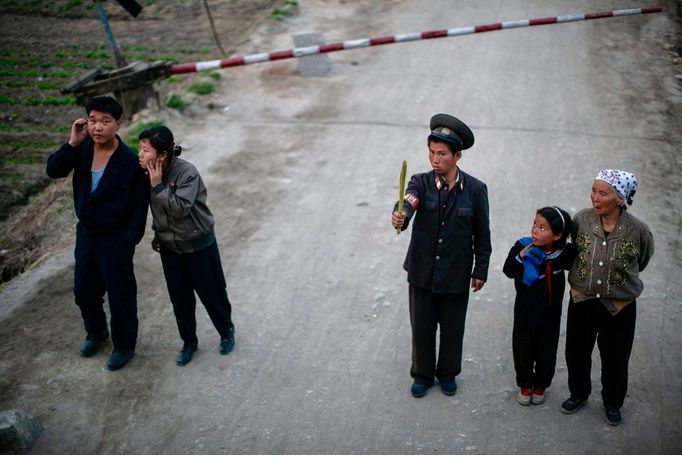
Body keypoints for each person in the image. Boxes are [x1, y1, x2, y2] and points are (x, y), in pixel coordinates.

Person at [391, 113, 491, 398]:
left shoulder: (475, 190)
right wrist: (400, 216)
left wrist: (480, 270)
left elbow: (482, 234)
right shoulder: (420, 183)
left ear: (457, 155)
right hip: (422, 272)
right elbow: (408, 202)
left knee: (452, 329)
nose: (435, 159)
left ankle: (447, 373)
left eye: (443, 154)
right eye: (432, 152)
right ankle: (422, 374)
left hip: (455, 274)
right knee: (421, 328)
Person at [46, 96, 149, 371]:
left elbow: (140, 203)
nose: (97, 127)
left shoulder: (129, 161)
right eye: (92, 120)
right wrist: (72, 144)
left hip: (116, 238)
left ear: (118, 124)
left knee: (120, 294)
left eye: (105, 121)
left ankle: (124, 345)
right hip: (88, 233)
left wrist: (130, 239)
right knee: (83, 290)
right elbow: (53, 170)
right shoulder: (82, 148)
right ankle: (97, 333)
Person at [561, 169, 654, 426]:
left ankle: (613, 402)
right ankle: (578, 393)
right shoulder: (581, 220)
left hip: (619, 306)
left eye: (603, 193)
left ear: (620, 198)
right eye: (594, 191)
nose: (595, 198)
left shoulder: (638, 230)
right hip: (582, 300)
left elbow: (643, 259)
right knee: (576, 352)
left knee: (616, 357)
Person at [137, 125, 235, 366]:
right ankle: (189, 342)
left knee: (212, 293)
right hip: (170, 248)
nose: (139, 154)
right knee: (179, 298)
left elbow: (180, 209)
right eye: (139, 148)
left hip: (198, 245)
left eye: (144, 150)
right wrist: (158, 232)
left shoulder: (186, 173)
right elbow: (155, 210)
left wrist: (158, 185)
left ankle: (226, 331)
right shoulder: (145, 172)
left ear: (162, 155)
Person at [503, 207, 575, 406]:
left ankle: (541, 384)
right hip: (525, 312)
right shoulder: (523, 245)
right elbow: (508, 270)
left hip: (550, 315)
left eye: (543, 228)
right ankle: (525, 384)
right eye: (535, 224)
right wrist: (521, 256)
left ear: (558, 235)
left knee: (547, 351)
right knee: (523, 348)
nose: (535, 230)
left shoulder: (563, 253)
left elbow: (579, 263)